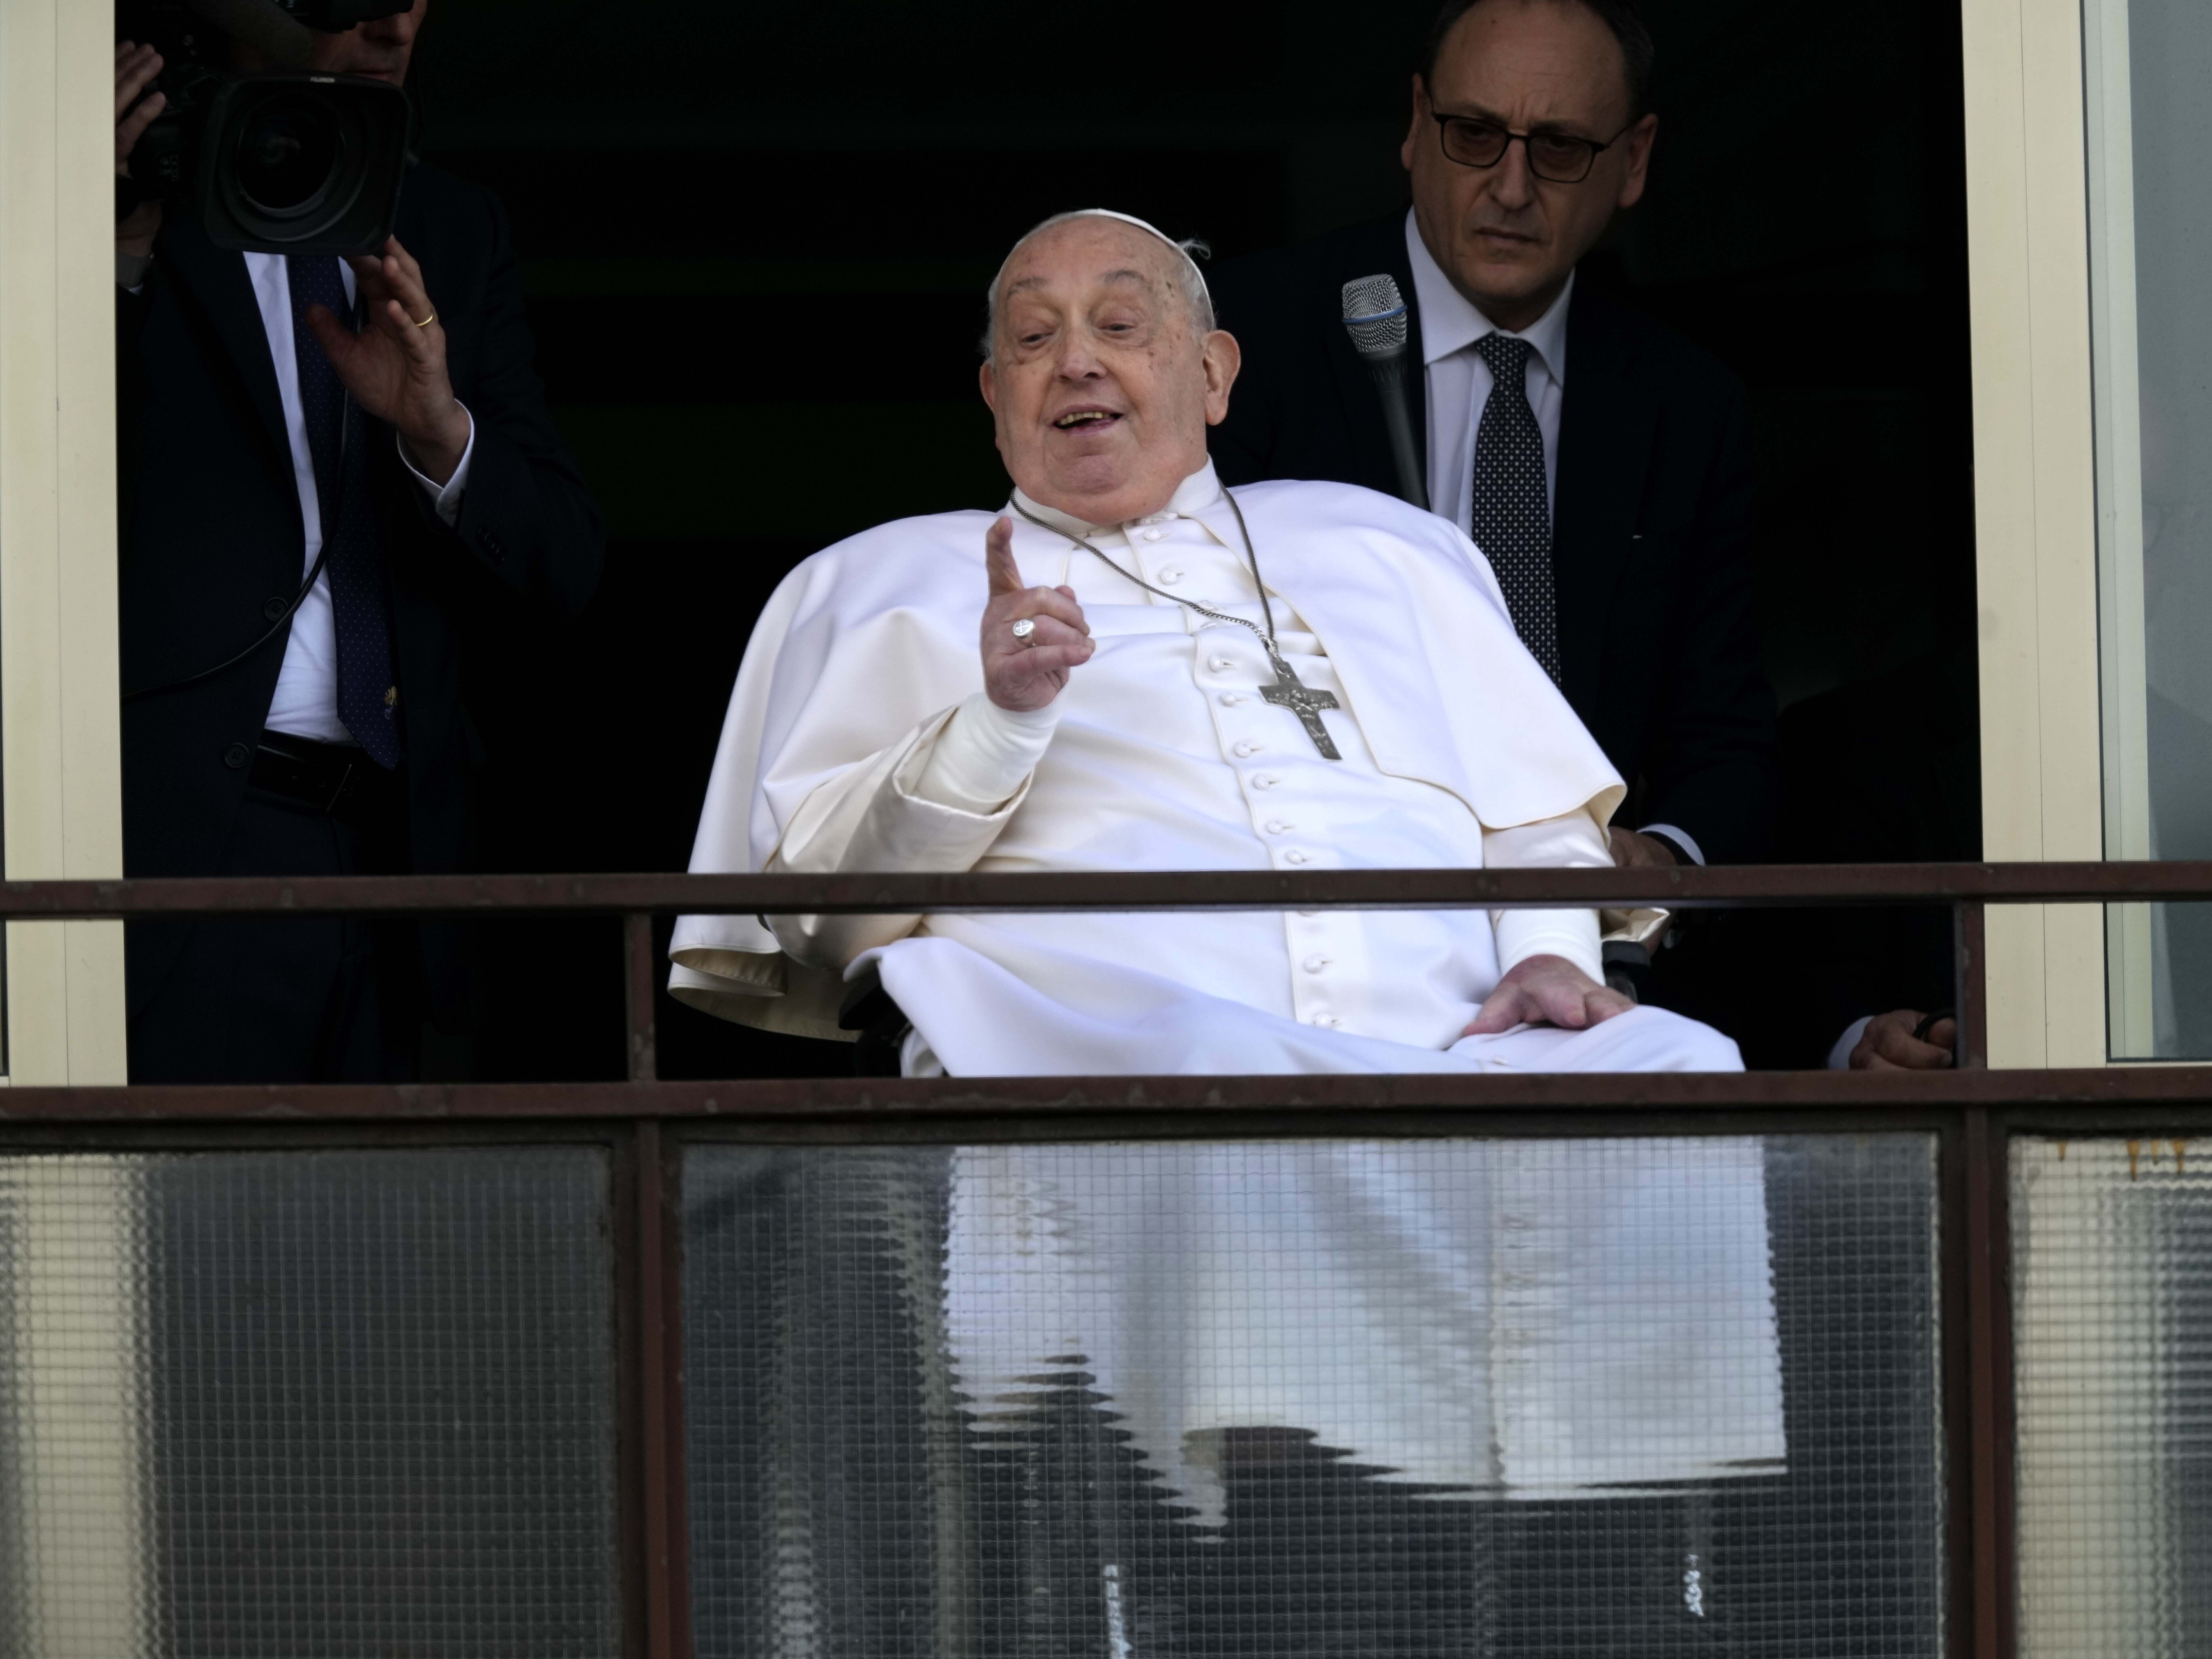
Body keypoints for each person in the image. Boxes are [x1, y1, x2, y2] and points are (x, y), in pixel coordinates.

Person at [669, 210, 1781, 1645]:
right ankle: (1299, 1590)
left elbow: (1531, 817)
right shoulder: (883, 585)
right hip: (1133, 1060)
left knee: (1682, 1065)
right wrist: (992, 722)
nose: (1078, 361)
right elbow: (819, 912)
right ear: (993, 393)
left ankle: (1608, 1585)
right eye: (1033, 336)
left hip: (1455, 1048)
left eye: (1122, 325)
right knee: (1223, 1095)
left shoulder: (1388, 550)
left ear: (1215, 371)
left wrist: (1553, 953)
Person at [113, 4, 601, 1082]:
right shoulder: (135, 187)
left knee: (376, 1244)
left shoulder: (451, 225)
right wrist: (98, 238)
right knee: (175, 1232)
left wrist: (440, 434)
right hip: (186, 844)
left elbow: (567, 563)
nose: (392, 24)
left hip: (404, 859)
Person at [1208, 0, 1777, 906]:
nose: (1511, 188)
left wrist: (1664, 861)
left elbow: (1724, 730)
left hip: (1587, 948)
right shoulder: (1240, 345)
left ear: (1633, 161)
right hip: (1308, 923)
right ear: (1415, 127)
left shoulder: (1685, 404)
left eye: (1558, 149)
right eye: (1474, 134)